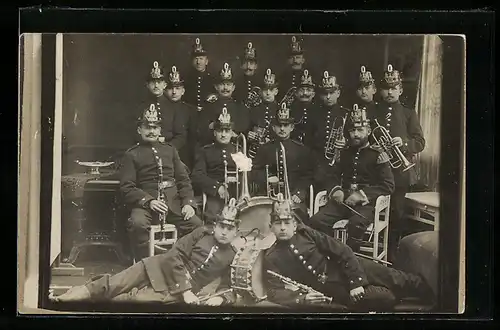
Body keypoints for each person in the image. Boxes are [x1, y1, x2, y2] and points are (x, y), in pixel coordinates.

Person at [52, 199, 243, 307]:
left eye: (230, 228)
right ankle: (61, 301)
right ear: (215, 225)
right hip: (156, 267)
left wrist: (221, 298)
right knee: (113, 285)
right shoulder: (201, 232)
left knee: (131, 301)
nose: (224, 232)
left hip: (171, 291)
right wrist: (185, 290)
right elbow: (173, 255)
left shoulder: (233, 255)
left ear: (236, 231)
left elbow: (231, 287)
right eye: (222, 226)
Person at [262, 194, 435, 311]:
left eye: (287, 222)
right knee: (385, 298)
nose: (283, 228)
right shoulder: (272, 256)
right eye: (278, 224)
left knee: (398, 279)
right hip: (335, 290)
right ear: (271, 227)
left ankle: (439, 297)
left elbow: (343, 251)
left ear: (294, 224)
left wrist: (356, 282)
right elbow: (275, 292)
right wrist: (302, 300)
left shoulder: (306, 233)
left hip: (350, 267)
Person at [304, 104, 395, 253]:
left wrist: (361, 195)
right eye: (353, 130)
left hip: (365, 205)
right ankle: (328, 254)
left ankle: (351, 259)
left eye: (360, 130)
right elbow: (331, 175)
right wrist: (336, 190)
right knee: (316, 221)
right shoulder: (344, 153)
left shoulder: (377, 154)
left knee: (356, 224)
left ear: (368, 131)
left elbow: (388, 185)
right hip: (343, 201)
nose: (356, 134)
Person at [120, 104, 203, 261]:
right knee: (138, 224)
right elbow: (127, 187)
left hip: (174, 203)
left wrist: (188, 203)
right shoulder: (132, 154)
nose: (152, 131)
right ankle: (145, 265)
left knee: (197, 226)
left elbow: (183, 180)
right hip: (146, 206)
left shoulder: (170, 150)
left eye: (155, 127)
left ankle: (181, 262)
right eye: (147, 127)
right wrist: (149, 201)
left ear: (160, 130)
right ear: (139, 130)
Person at [373, 64, 426, 260]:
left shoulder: (408, 113)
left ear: (400, 90)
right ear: (380, 90)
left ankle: (392, 255)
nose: (389, 92)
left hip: (399, 174)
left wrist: (403, 143)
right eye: (386, 88)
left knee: (396, 215)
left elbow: (420, 143)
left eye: (394, 88)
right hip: (376, 172)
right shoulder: (373, 111)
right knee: (373, 212)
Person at [252, 102, 314, 221]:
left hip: (293, 195)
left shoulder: (302, 150)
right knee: (262, 218)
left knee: (297, 217)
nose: (282, 129)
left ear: (292, 127)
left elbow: (307, 175)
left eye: (286, 125)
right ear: (273, 128)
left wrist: (299, 193)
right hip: (268, 195)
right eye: (279, 125)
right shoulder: (264, 148)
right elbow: (255, 171)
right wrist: (267, 179)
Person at [191, 108, 252, 225]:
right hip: (216, 196)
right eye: (220, 131)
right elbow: (197, 175)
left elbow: (248, 174)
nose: (223, 134)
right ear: (215, 133)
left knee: (247, 218)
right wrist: (216, 187)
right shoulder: (205, 151)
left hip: (237, 193)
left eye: (227, 131)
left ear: (232, 133)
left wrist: (239, 182)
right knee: (213, 217)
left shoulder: (238, 150)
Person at [309, 71, 350, 191]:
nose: (328, 97)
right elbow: (309, 140)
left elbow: (354, 139)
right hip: (318, 163)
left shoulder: (345, 113)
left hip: (340, 164)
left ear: (338, 93)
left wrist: (345, 142)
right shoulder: (314, 113)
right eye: (325, 93)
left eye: (331, 93)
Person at [197, 62, 250, 146]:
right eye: (222, 84)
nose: (225, 88)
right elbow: (202, 132)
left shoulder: (241, 108)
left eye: (228, 85)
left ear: (233, 87)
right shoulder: (208, 108)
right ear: (216, 87)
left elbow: (244, 131)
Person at [141, 61, 185, 149]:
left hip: (169, 151)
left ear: (164, 85)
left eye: (159, 82)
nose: (156, 85)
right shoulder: (141, 107)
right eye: (153, 82)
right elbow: (135, 133)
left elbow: (180, 136)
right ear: (147, 85)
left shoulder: (174, 107)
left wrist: (168, 150)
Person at [163, 65, 198, 170]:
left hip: (184, 154)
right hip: (163, 152)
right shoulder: (160, 109)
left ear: (183, 91)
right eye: (170, 88)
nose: (174, 92)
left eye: (177, 88)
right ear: (164, 90)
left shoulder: (191, 110)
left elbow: (193, 137)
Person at [246, 68, 280, 156]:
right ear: (260, 92)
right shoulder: (253, 109)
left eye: (271, 90)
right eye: (265, 90)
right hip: (255, 151)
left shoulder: (280, 110)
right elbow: (246, 128)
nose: (268, 93)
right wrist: (248, 134)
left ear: (276, 91)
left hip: (274, 150)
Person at [182, 37, 216, 113]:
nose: (198, 62)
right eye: (196, 59)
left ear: (206, 61)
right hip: (189, 113)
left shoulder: (213, 78)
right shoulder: (185, 78)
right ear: (191, 61)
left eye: (201, 59)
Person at [288, 69, 319, 144]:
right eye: (301, 90)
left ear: (313, 94)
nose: (305, 93)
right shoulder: (289, 110)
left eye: (308, 90)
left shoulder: (319, 110)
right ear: (296, 93)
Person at [278, 36, 312, 100]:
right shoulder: (282, 77)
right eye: (291, 58)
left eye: (298, 57)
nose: (295, 61)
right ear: (287, 60)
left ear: (303, 60)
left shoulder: (310, 76)